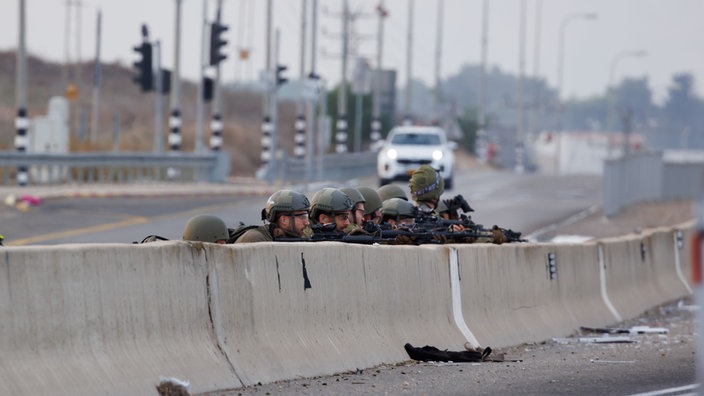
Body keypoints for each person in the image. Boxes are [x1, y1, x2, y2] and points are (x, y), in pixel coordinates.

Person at [235, 189, 312, 243]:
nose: (306, 223)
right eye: (302, 217)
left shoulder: (294, 236)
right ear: (284, 220)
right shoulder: (256, 239)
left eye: (306, 217)